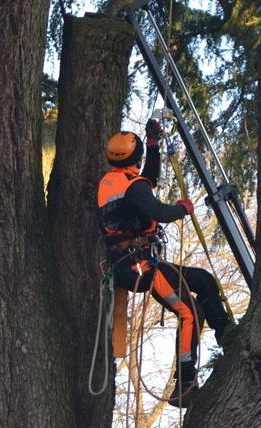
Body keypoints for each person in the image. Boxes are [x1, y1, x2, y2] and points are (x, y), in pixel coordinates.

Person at [97, 118, 230, 407]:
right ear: (136, 157)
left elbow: (148, 181)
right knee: (190, 312)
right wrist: (182, 208)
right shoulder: (132, 188)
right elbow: (158, 209)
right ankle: (183, 385)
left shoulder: (114, 183)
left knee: (204, 280)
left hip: (136, 262)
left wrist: (154, 143)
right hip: (141, 267)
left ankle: (227, 336)